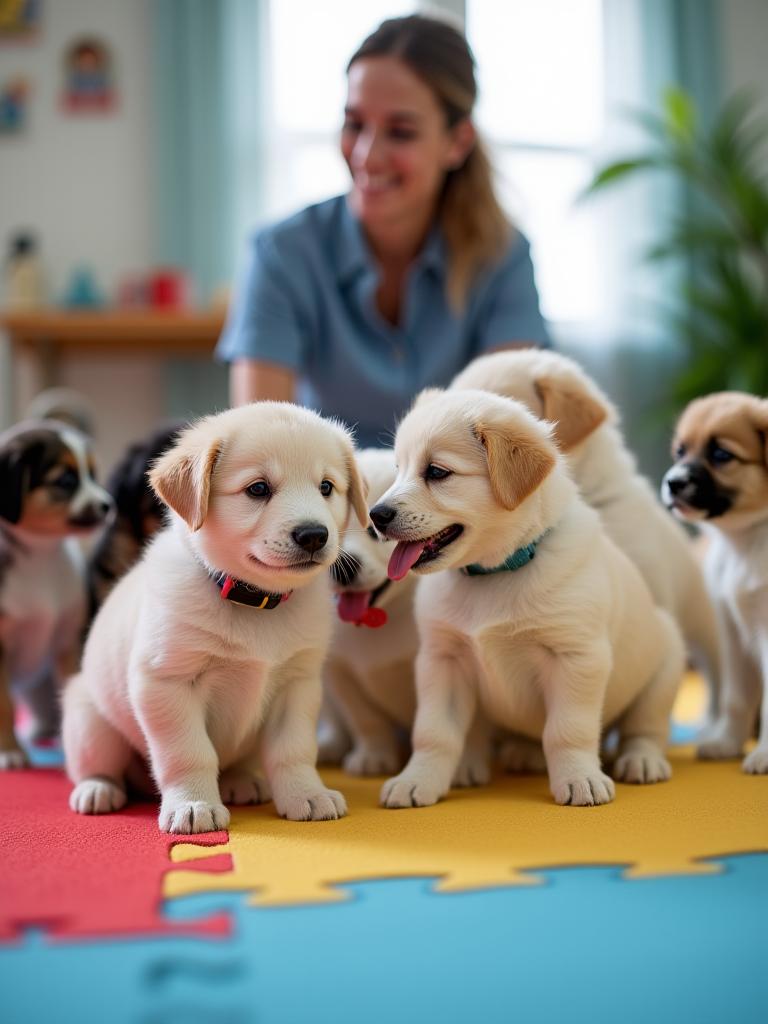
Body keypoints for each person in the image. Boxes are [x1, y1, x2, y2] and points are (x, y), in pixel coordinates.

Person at [217, 13, 551, 447]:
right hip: (321, 508)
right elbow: (256, 446)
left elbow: (505, 444)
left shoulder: (503, 257)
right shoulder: (281, 253)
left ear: (458, 142)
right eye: (354, 124)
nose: (366, 155)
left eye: (400, 132)